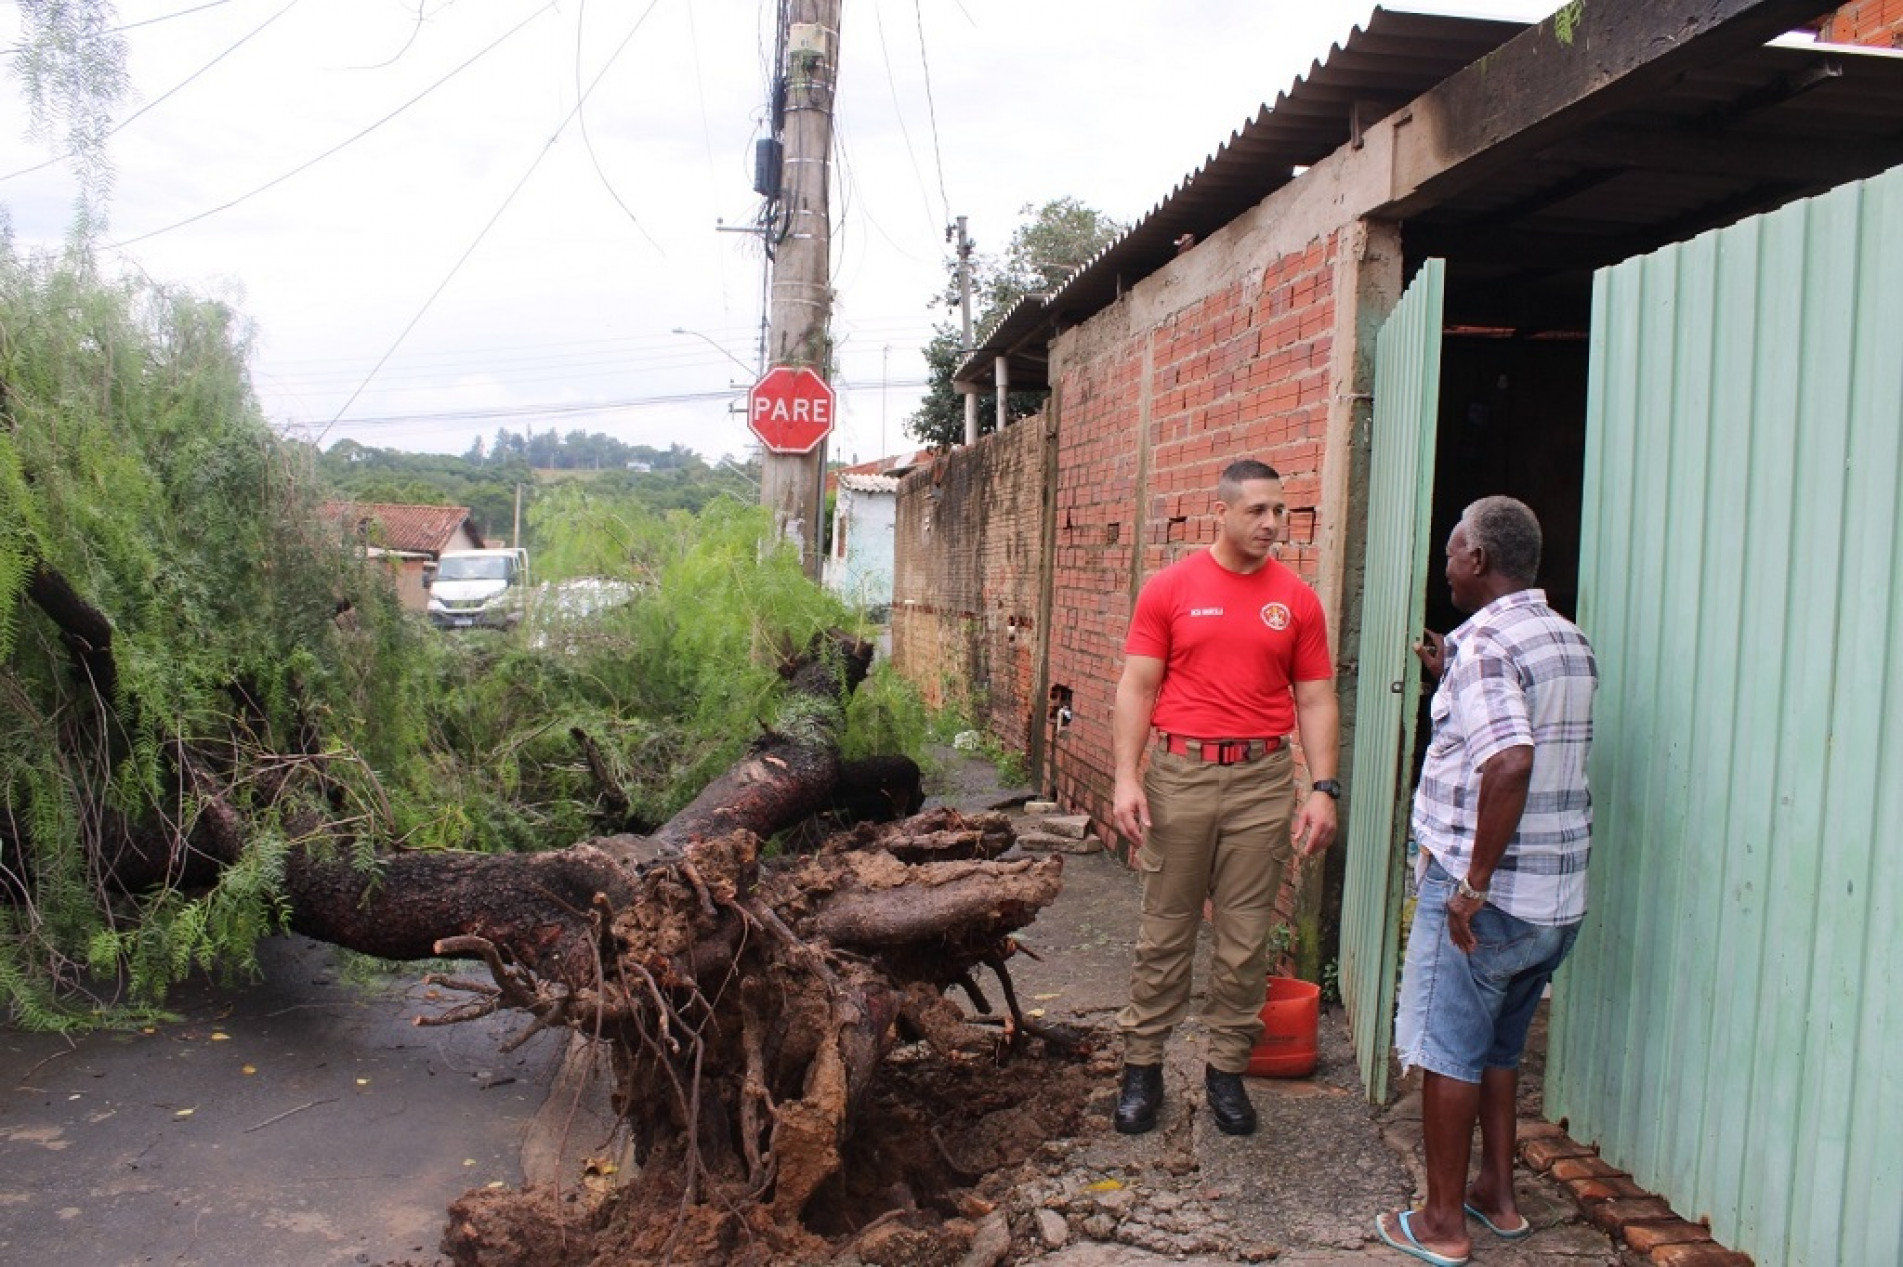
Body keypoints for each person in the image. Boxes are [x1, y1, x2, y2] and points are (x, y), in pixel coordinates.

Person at [1375, 496, 1598, 1267]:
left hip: (1491, 901)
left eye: (1449, 551)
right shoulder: (1566, 639)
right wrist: (1449, 676)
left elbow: (1509, 760)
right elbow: (1516, 723)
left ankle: (1440, 1223)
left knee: (1448, 1050)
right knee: (1502, 1046)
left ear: (1475, 560)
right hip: (1554, 902)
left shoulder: (1486, 648)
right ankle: (1496, 1196)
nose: (1443, 564)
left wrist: (1469, 885)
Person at [1110, 458, 1341, 1138]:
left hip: (1264, 781)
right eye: (1259, 510)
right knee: (1166, 927)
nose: (1273, 523)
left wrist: (1323, 786)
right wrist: (1126, 775)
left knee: (1243, 940)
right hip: (1179, 775)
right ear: (1224, 511)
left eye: (1281, 512)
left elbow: (1315, 697)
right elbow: (1136, 686)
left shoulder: (1296, 599)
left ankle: (1226, 1072)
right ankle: (1141, 1066)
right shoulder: (1171, 588)